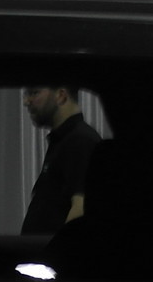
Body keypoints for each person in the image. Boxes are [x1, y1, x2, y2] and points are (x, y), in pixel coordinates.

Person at [21, 83, 100, 234]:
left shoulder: (81, 140)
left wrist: (59, 251)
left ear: (61, 95)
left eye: (34, 92)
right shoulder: (64, 139)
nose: (26, 101)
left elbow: (81, 208)